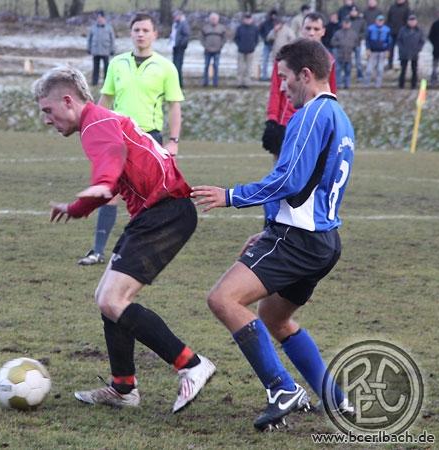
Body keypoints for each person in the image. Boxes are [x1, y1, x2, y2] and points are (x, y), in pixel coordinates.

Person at [191, 38, 355, 432]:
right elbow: (309, 187)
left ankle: (282, 389)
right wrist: (267, 231)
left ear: (306, 75)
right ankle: (335, 398)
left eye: (284, 79)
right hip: (321, 241)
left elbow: (290, 180)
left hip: (297, 239)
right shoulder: (340, 117)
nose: (281, 88)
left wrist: (231, 196)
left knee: (223, 299)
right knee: (274, 318)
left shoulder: (312, 115)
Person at [35, 66, 215, 413]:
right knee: (106, 298)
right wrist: (78, 205)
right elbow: (112, 179)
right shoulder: (104, 119)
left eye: (48, 110)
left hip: (165, 213)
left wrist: (101, 182)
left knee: (113, 300)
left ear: (68, 101)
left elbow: (111, 158)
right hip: (159, 214)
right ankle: (123, 387)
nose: (47, 119)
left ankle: (191, 365)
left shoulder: (96, 124)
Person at [78, 13, 184, 266]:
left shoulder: (166, 67)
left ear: (155, 34)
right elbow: (104, 101)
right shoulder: (117, 63)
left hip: (149, 138)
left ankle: (148, 250)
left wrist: (174, 140)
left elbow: (174, 107)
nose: (141, 34)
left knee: (151, 196)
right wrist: (91, 128)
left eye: (146, 30)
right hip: (118, 138)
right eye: (136, 29)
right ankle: (97, 251)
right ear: (131, 33)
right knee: (109, 192)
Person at [262, 12, 336, 159]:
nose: (311, 33)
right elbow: (276, 90)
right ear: (301, 29)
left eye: (316, 29)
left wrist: (331, 122)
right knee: (280, 172)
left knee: (309, 172)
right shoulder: (285, 57)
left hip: (313, 123)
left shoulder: (330, 61)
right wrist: (272, 120)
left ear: (323, 31)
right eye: (308, 28)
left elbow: (331, 92)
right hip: (286, 122)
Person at [87, 10, 115, 87]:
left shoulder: (109, 28)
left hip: (105, 51)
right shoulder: (93, 28)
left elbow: (112, 40)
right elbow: (89, 39)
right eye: (98, 18)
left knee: (106, 68)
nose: (99, 19)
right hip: (95, 51)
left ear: (104, 18)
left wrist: (112, 49)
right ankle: (94, 82)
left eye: (101, 17)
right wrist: (89, 48)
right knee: (96, 68)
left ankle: (106, 83)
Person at [397, 15, 425, 89]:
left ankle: (414, 84)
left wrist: (418, 49)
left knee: (414, 69)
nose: (412, 22)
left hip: (414, 53)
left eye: (413, 21)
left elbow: (422, 41)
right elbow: (399, 40)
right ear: (408, 21)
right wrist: (402, 49)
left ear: (416, 22)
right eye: (410, 21)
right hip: (404, 52)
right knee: (403, 69)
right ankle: (401, 84)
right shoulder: (403, 29)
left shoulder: (419, 30)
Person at [364, 15, 391, 88]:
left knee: (380, 70)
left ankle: (378, 84)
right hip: (372, 51)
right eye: (379, 20)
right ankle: (366, 84)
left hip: (382, 52)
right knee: (369, 69)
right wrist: (367, 49)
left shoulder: (387, 29)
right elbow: (367, 40)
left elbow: (389, 41)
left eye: (381, 20)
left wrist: (388, 50)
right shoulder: (370, 28)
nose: (380, 22)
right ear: (376, 21)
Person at [201, 12, 227, 87]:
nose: (213, 20)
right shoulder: (205, 28)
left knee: (216, 66)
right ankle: (205, 82)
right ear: (209, 19)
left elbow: (224, 38)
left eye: (215, 19)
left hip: (217, 50)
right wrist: (205, 45)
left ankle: (215, 83)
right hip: (207, 50)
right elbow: (201, 38)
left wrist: (220, 46)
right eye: (212, 19)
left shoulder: (222, 28)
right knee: (206, 66)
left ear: (218, 19)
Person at [234, 12, 260, 88]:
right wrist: (239, 45)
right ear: (243, 19)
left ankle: (247, 83)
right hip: (241, 51)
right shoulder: (239, 28)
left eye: (249, 19)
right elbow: (236, 38)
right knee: (240, 68)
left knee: (248, 68)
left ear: (251, 19)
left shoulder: (255, 28)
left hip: (250, 51)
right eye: (246, 19)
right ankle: (239, 83)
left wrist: (253, 46)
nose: (248, 20)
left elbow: (257, 39)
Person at [332, 18, 359, 88]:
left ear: (350, 24)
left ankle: (347, 85)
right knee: (338, 71)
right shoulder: (338, 33)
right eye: (345, 23)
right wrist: (340, 43)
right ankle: (338, 85)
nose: (346, 25)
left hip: (349, 56)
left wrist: (352, 46)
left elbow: (357, 43)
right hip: (339, 55)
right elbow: (332, 42)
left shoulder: (353, 33)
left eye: (348, 23)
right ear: (342, 24)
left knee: (348, 71)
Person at [386, 0, 411, 69]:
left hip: (402, 33)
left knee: (401, 50)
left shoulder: (407, 8)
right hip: (392, 32)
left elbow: (408, 21)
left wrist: (406, 31)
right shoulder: (392, 7)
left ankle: (402, 65)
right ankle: (389, 64)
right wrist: (388, 27)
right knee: (390, 49)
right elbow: (388, 19)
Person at [170, 10, 190, 88]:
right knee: (175, 65)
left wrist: (181, 45)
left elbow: (186, 36)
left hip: (179, 48)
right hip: (175, 46)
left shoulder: (184, 24)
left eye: (175, 16)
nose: (174, 18)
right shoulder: (176, 24)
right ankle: (176, 82)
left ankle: (179, 83)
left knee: (178, 66)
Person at [259, 9, 278, 81]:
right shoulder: (265, 23)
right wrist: (264, 38)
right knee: (265, 60)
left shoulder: (277, 23)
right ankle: (264, 76)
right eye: (272, 15)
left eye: (275, 15)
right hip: (266, 44)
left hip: (275, 44)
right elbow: (260, 31)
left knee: (275, 61)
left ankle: (275, 77)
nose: (274, 16)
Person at [348, 6, 366, 80]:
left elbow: (364, 32)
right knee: (348, 61)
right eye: (352, 11)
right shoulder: (347, 20)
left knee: (358, 61)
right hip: (348, 44)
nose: (353, 12)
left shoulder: (361, 21)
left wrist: (357, 37)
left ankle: (360, 76)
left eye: (355, 11)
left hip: (357, 43)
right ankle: (347, 77)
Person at [428, 10, 439, 86]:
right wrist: (435, 44)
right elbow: (430, 36)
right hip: (436, 49)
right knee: (434, 67)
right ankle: (433, 80)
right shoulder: (435, 24)